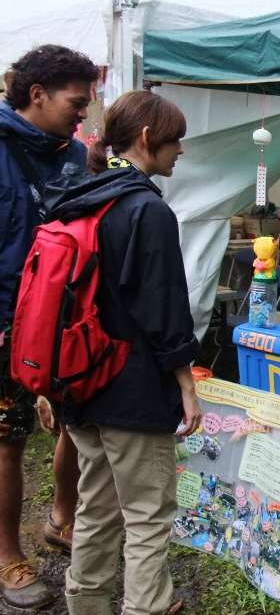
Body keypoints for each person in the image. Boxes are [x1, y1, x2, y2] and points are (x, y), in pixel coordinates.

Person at [48, 89, 202, 615]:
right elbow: (164, 309)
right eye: (175, 140)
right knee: (148, 514)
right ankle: (146, 608)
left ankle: (85, 603)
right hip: (132, 390)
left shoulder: (82, 198)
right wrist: (186, 384)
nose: (180, 150)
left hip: (81, 383)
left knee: (96, 507)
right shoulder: (146, 210)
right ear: (146, 138)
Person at [0, 45, 98, 608]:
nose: (82, 114)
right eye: (76, 102)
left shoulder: (75, 154)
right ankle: (8, 556)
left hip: (67, 321)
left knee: (75, 425)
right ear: (36, 95)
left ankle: (62, 518)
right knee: (7, 441)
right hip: (5, 323)